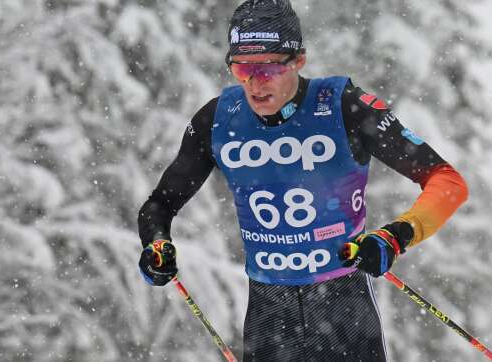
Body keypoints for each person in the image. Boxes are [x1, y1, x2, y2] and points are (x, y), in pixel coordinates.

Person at [138, 0, 468, 360]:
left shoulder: (343, 106)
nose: (254, 83)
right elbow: (160, 204)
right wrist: (157, 245)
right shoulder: (218, 119)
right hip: (268, 313)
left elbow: (447, 181)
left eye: (267, 69)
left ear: (298, 60)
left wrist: (395, 236)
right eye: (242, 68)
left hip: (343, 307)